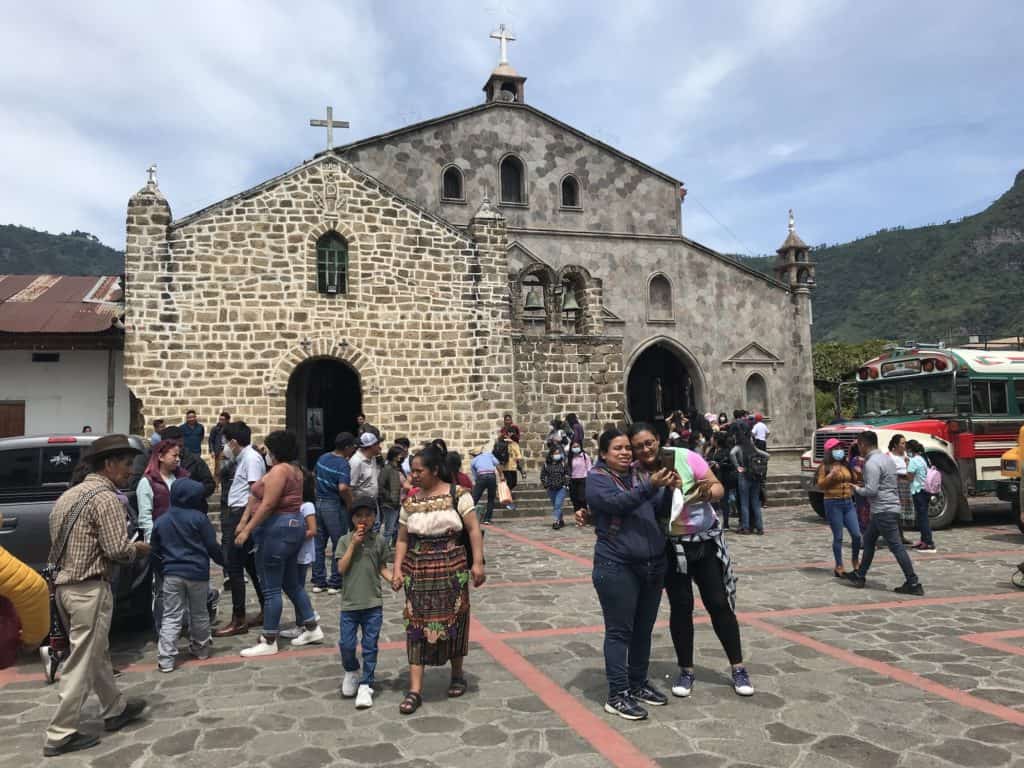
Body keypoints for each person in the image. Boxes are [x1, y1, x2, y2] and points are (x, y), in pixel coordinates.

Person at [628, 424, 753, 699]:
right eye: (639, 446)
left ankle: (738, 667)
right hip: (671, 546)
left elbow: (718, 487)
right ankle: (686, 670)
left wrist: (707, 492)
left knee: (718, 603)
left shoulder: (685, 457)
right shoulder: (636, 473)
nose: (646, 449)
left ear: (658, 440)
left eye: (649, 442)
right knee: (681, 607)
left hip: (703, 541)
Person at [43, 434, 149, 757]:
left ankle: (114, 709)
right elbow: (118, 549)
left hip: (65, 587)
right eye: (127, 464)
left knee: (97, 653)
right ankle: (60, 732)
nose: (131, 471)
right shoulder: (106, 499)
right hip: (89, 586)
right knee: (82, 658)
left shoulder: (67, 497)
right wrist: (140, 549)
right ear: (109, 464)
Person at [575, 427, 674, 721]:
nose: (625, 452)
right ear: (604, 453)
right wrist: (650, 486)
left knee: (643, 629)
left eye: (627, 448)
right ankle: (617, 693)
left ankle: (638, 682)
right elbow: (617, 504)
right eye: (617, 448)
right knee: (620, 632)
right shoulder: (597, 479)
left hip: (652, 564)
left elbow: (658, 510)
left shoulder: (639, 476)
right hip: (616, 565)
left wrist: (669, 488)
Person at [392, 445, 486, 715]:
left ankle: (457, 674)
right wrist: (397, 569)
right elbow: (401, 538)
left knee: (455, 619)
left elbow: (473, 530)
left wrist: (477, 562)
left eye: (419, 471)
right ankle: (415, 689)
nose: (415, 475)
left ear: (434, 470)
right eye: (413, 471)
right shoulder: (410, 502)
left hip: (451, 567)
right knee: (415, 624)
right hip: (418, 569)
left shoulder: (458, 495)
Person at [234, 430, 323, 656]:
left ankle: (269, 638)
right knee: (292, 583)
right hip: (293, 527)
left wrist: (247, 529)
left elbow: (267, 504)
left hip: (277, 530)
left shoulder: (279, 471)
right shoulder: (296, 471)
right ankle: (311, 626)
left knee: (271, 588)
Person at [150, 479, 225, 673]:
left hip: (172, 575)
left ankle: (166, 658)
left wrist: (161, 570)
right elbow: (212, 546)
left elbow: (154, 551)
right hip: (198, 574)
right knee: (199, 612)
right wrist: (225, 562)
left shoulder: (161, 521)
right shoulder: (199, 519)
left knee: (171, 615)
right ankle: (201, 649)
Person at [845, 431, 924, 595]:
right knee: (868, 540)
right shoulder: (886, 459)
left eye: (859, 445)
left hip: (883, 510)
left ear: (864, 445)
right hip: (888, 507)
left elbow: (871, 490)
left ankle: (913, 582)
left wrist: (856, 489)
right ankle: (860, 575)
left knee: (896, 546)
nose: (858, 448)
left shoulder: (871, 463)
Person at [337, 503, 394, 709]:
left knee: (370, 646)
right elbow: (341, 568)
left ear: (374, 517)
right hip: (350, 604)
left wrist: (393, 580)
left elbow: (382, 567)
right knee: (347, 644)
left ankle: (366, 683)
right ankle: (351, 671)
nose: (363, 519)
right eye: (358, 515)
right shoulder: (344, 540)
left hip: (372, 603)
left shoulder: (379, 541)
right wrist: (353, 544)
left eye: (368, 515)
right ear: (352, 518)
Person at [214, 421, 266, 637]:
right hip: (236, 512)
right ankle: (266, 608)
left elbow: (255, 493)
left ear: (234, 442)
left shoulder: (251, 459)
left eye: (227, 443)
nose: (226, 447)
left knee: (234, 565)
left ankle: (239, 618)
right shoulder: (243, 458)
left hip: (240, 514)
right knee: (250, 565)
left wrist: (243, 523)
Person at [312, 433, 356, 595]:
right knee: (339, 543)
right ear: (346, 447)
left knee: (319, 544)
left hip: (319, 502)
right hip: (333, 504)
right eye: (352, 446)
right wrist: (351, 504)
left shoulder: (323, 458)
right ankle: (335, 582)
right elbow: (343, 488)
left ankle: (318, 581)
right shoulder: (343, 464)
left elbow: (314, 476)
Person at [279, 471, 320, 641]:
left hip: (302, 554)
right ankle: (304, 619)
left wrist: (293, 535)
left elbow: (312, 530)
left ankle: (303, 622)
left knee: (297, 588)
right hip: (292, 552)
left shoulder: (307, 506)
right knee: (294, 587)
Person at [816, 439, 862, 578]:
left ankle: (855, 559)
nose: (839, 451)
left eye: (841, 448)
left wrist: (858, 473)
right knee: (838, 537)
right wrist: (830, 476)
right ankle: (839, 565)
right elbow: (820, 486)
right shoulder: (825, 467)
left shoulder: (846, 465)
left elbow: (854, 479)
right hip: (832, 503)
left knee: (856, 535)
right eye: (836, 448)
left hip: (848, 503)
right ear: (830, 451)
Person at [159, 426, 215, 511]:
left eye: (180, 445)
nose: (177, 448)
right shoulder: (156, 461)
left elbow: (209, 485)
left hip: (193, 510)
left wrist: (192, 493)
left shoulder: (195, 461)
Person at [730, 421, 769, 535]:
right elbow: (767, 455)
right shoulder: (752, 446)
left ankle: (746, 527)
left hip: (744, 476)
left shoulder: (739, 447)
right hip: (755, 476)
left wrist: (737, 467)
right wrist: (762, 464)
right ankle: (759, 527)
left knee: (744, 503)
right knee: (755, 502)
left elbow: (732, 453)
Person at [906, 440, 937, 553]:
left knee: (922, 518)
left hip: (918, 491)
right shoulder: (922, 459)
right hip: (926, 490)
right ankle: (924, 540)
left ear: (910, 450)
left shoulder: (913, 461)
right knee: (923, 517)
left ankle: (928, 542)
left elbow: (909, 477)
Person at [887, 434, 915, 545]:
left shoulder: (907, 456)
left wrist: (908, 463)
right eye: (902, 443)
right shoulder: (889, 456)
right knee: (895, 512)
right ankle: (894, 536)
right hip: (895, 485)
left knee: (903, 513)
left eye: (905, 443)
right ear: (895, 445)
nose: (904, 446)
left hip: (906, 484)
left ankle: (901, 536)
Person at [707, 431, 736, 530]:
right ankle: (712, 522)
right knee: (712, 501)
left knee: (724, 501)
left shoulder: (726, 451)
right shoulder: (711, 450)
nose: (711, 440)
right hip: (712, 479)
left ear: (717, 440)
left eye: (712, 438)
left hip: (724, 479)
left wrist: (719, 465)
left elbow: (731, 465)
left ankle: (726, 523)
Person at [350, 432, 382, 513]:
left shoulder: (373, 458)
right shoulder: (356, 462)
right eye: (377, 444)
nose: (379, 447)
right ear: (371, 446)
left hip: (373, 503)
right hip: (361, 507)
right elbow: (350, 487)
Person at [540, 444, 571, 530]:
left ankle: (556, 521)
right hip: (551, 488)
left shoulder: (563, 463)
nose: (557, 455)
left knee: (558, 504)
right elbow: (542, 476)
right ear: (551, 454)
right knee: (556, 506)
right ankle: (561, 520)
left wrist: (566, 485)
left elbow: (568, 474)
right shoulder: (546, 465)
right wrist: (546, 485)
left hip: (561, 488)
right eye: (555, 453)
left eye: (559, 453)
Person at [379, 446, 405, 544]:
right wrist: (389, 497)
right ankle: (384, 551)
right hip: (389, 504)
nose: (401, 456)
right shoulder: (387, 469)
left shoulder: (396, 468)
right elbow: (381, 486)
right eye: (399, 454)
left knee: (395, 529)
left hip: (396, 503)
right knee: (388, 530)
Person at [469, 444, 500, 525]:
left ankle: (468, 517)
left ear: (474, 455)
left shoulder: (473, 461)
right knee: (491, 498)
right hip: (492, 476)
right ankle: (487, 519)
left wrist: (477, 484)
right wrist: (502, 475)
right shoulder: (489, 455)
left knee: (474, 498)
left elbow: (475, 476)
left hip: (481, 477)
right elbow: (497, 464)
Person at [569, 440, 593, 514]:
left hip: (583, 479)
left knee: (582, 499)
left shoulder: (585, 456)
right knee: (575, 499)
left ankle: (584, 517)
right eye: (574, 447)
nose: (575, 448)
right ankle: (578, 518)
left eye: (577, 446)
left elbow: (589, 468)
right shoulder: (570, 457)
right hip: (573, 480)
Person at [208, 411, 231, 482]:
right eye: (220, 419)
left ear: (227, 420)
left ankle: (226, 484)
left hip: (229, 451)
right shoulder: (215, 429)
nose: (221, 421)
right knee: (217, 470)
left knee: (228, 469)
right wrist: (212, 450)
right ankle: (216, 486)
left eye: (223, 420)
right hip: (219, 451)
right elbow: (211, 440)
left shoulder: (231, 429)